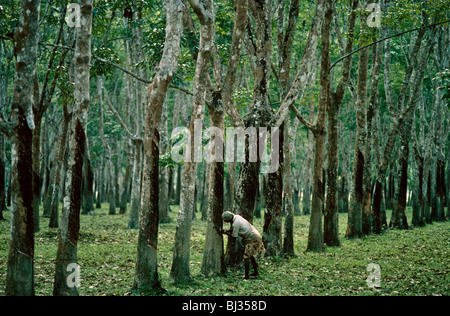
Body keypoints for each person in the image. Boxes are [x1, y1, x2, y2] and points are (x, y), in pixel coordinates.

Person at [217, 211, 265, 279]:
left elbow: (234, 237)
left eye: (226, 221)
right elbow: (233, 230)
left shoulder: (235, 224)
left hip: (253, 238)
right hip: (254, 235)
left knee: (246, 257)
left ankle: (246, 276)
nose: (226, 222)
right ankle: (255, 272)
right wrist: (225, 231)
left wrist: (224, 232)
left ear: (229, 219)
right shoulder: (237, 217)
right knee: (250, 256)